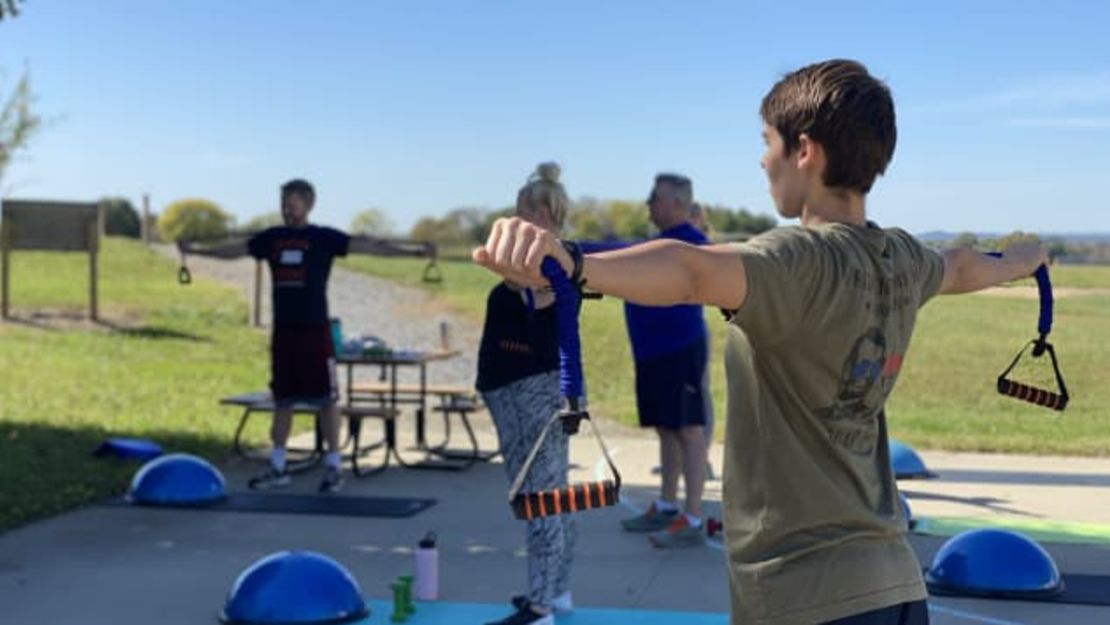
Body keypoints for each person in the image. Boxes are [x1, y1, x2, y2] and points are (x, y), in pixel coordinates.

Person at [473, 59, 1047, 625]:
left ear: (805, 151)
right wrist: (1025, 258)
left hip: (805, 596)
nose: (761, 158)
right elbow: (964, 266)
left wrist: (570, 260)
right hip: (893, 586)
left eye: (767, 141)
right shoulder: (900, 257)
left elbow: (691, 272)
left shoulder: (797, 259)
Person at [179, 178, 418, 494]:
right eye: (283, 203)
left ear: (308, 204)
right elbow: (235, 249)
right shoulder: (272, 238)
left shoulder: (322, 238)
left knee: (327, 400)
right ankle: (278, 466)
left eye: (292, 203)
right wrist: (196, 251)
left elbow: (366, 244)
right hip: (285, 332)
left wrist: (413, 251)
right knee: (284, 399)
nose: (286, 210)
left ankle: (334, 466)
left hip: (315, 330)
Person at [476, 162, 576, 625]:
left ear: (544, 216)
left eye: (523, 212)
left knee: (538, 498)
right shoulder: (545, 265)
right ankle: (555, 594)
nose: (513, 220)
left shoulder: (547, 267)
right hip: (527, 390)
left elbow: (533, 290)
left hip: (529, 392)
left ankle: (541, 607)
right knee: (553, 495)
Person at [616, 173, 714, 549]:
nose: (648, 204)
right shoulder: (657, 244)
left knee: (688, 430)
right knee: (666, 428)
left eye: (655, 198)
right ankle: (667, 503)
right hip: (652, 354)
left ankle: (692, 517)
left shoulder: (692, 246)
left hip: (680, 351)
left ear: (677, 204)